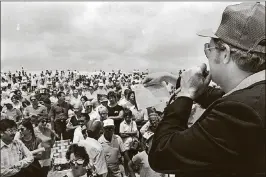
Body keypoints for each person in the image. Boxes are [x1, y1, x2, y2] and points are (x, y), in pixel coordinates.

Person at [145, 2, 265, 177]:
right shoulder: (253, 96)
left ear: (225, 53)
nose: (207, 55)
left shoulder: (240, 112)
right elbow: (224, 96)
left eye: (208, 48)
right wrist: (175, 80)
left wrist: (185, 95)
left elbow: (162, 154)